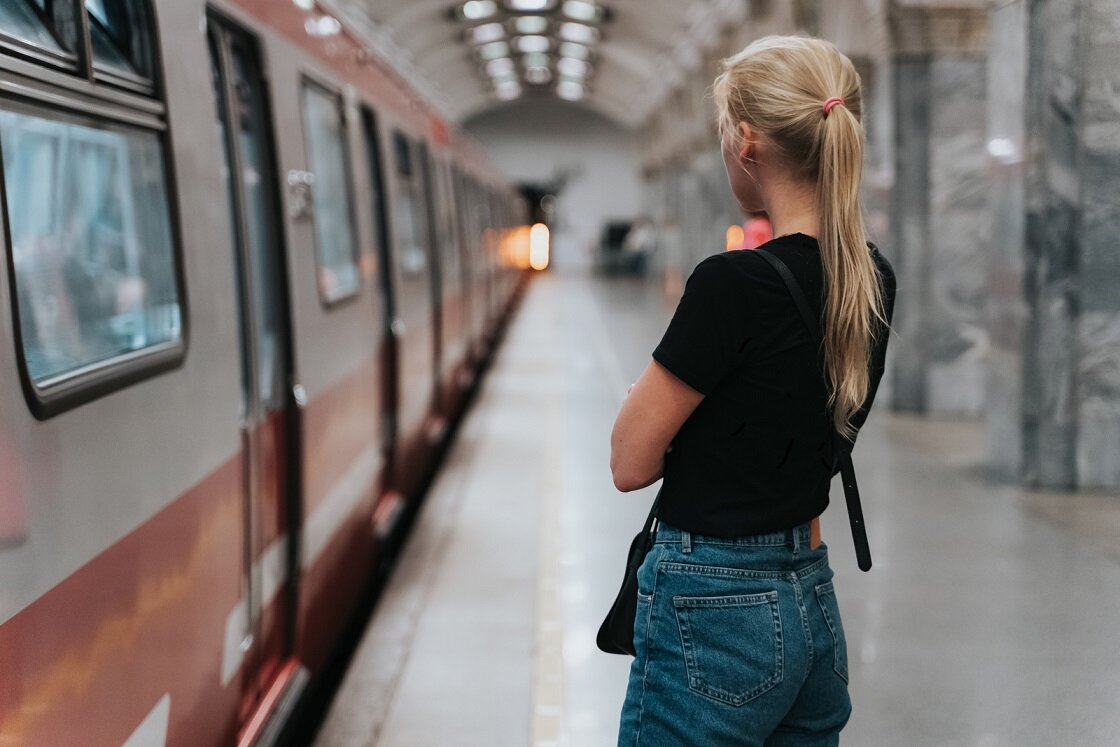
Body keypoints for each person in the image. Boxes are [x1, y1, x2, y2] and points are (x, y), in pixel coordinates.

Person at [610, 35, 897, 745]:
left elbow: (629, 460)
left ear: (747, 142)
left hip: (712, 603)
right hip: (810, 595)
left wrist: (689, 428)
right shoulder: (873, 279)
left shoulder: (731, 282)